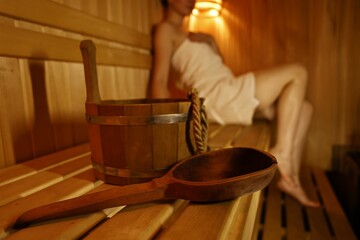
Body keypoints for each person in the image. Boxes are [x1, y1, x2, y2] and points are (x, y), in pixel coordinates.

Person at [151, 0, 320, 208]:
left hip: (228, 88)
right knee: (298, 72)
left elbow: (220, 68)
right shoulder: (165, 30)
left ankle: (291, 178)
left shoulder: (197, 35)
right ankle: (283, 153)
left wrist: (212, 43)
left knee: (305, 109)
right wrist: (165, 124)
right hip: (215, 97)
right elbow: (159, 80)